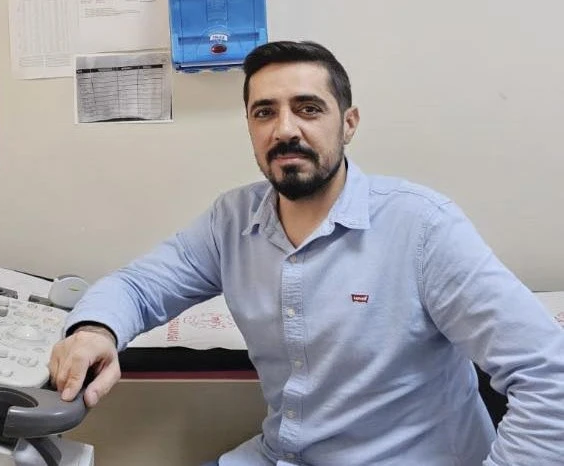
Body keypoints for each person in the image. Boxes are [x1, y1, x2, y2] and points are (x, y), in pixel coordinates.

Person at [47, 41, 564, 465]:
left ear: (349, 123)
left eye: (308, 108)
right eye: (264, 112)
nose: (285, 129)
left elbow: (550, 377)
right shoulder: (232, 220)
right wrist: (94, 330)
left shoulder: (422, 226)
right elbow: (138, 286)